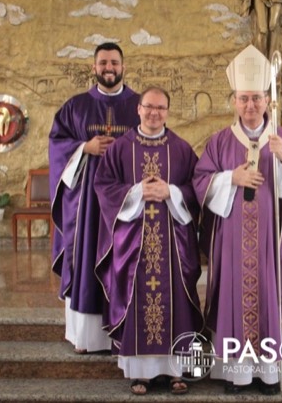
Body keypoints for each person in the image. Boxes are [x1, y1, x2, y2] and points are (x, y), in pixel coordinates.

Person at [193, 44, 282, 395]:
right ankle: (237, 374)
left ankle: (268, 373)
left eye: (257, 98)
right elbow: (201, 182)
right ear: (233, 101)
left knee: (269, 296)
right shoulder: (219, 142)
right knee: (235, 296)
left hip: (271, 242)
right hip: (233, 241)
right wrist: (231, 178)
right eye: (244, 98)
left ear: (267, 101)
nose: (251, 105)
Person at [93, 86, 203, 396]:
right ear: (138, 109)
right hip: (133, 243)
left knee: (176, 300)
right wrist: (136, 192)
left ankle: (175, 371)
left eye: (161, 108)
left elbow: (197, 188)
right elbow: (103, 186)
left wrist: (173, 192)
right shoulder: (120, 148)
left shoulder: (181, 149)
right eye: (149, 107)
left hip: (173, 243)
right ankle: (139, 374)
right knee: (137, 299)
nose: (155, 113)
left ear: (168, 111)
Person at [49, 42, 140, 354]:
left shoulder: (141, 105)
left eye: (114, 62)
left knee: (124, 259)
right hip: (87, 204)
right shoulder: (75, 107)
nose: (109, 68)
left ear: (123, 66)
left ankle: (126, 331)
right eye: (103, 63)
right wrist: (84, 148)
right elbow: (57, 143)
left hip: (127, 200)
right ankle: (87, 337)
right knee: (88, 258)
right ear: (94, 67)